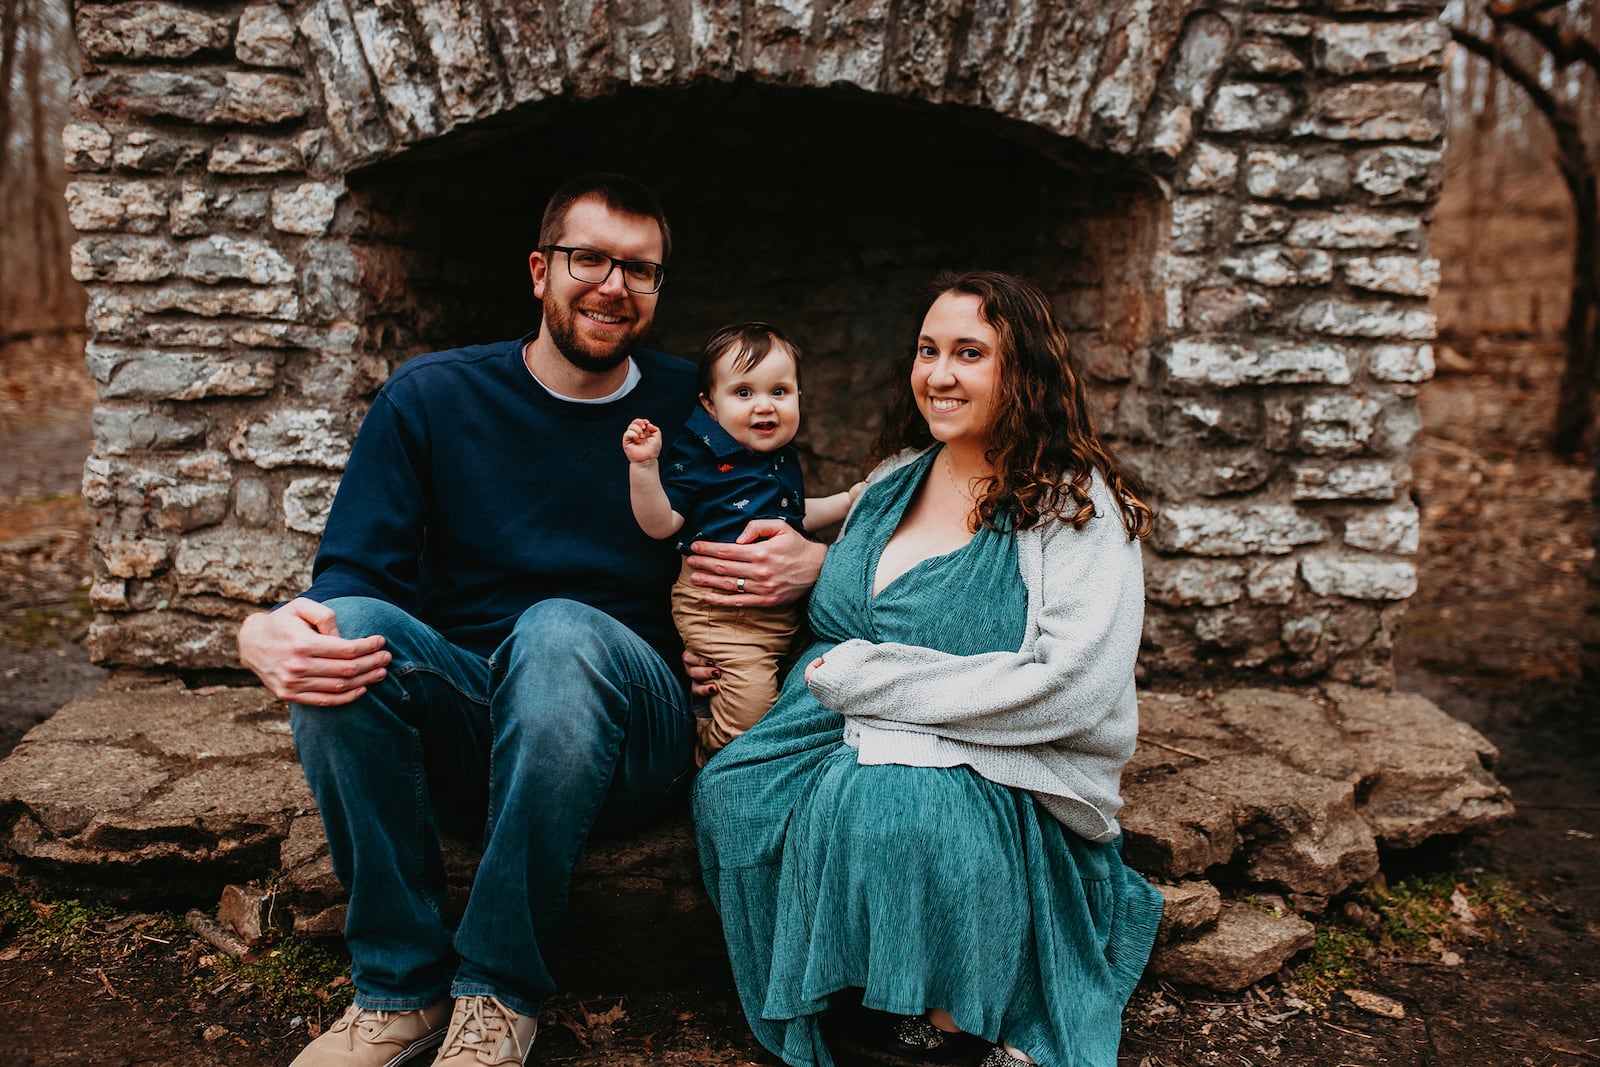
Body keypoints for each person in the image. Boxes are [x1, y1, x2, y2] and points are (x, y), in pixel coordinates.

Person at [236, 173, 826, 1067]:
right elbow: (354, 575)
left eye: (640, 268)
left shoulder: (700, 403)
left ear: (659, 288)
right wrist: (264, 628)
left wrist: (816, 562)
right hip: (474, 717)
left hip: (635, 728)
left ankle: (500, 990)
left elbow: (823, 505)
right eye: (589, 258)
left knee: (559, 629)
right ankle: (397, 991)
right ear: (539, 271)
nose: (613, 285)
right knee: (343, 628)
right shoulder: (433, 398)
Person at [691, 270, 1164, 1067]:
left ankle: (940, 1017)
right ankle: (837, 991)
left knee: (898, 798)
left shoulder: (1071, 502)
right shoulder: (898, 478)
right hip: (832, 715)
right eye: (927, 349)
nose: (938, 374)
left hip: (1005, 744)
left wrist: (871, 685)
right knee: (734, 792)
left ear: (1024, 371)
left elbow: (1075, 685)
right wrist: (716, 638)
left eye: (969, 353)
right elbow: (846, 596)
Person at [622, 322, 863, 761]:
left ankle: (711, 723)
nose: (764, 407)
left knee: (792, 700)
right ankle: (709, 759)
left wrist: (847, 501)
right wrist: (644, 467)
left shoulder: (777, 458)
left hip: (778, 618)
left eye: (779, 391)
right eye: (744, 393)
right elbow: (661, 523)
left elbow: (794, 517)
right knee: (751, 713)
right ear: (710, 406)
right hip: (720, 612)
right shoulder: (700, 457)